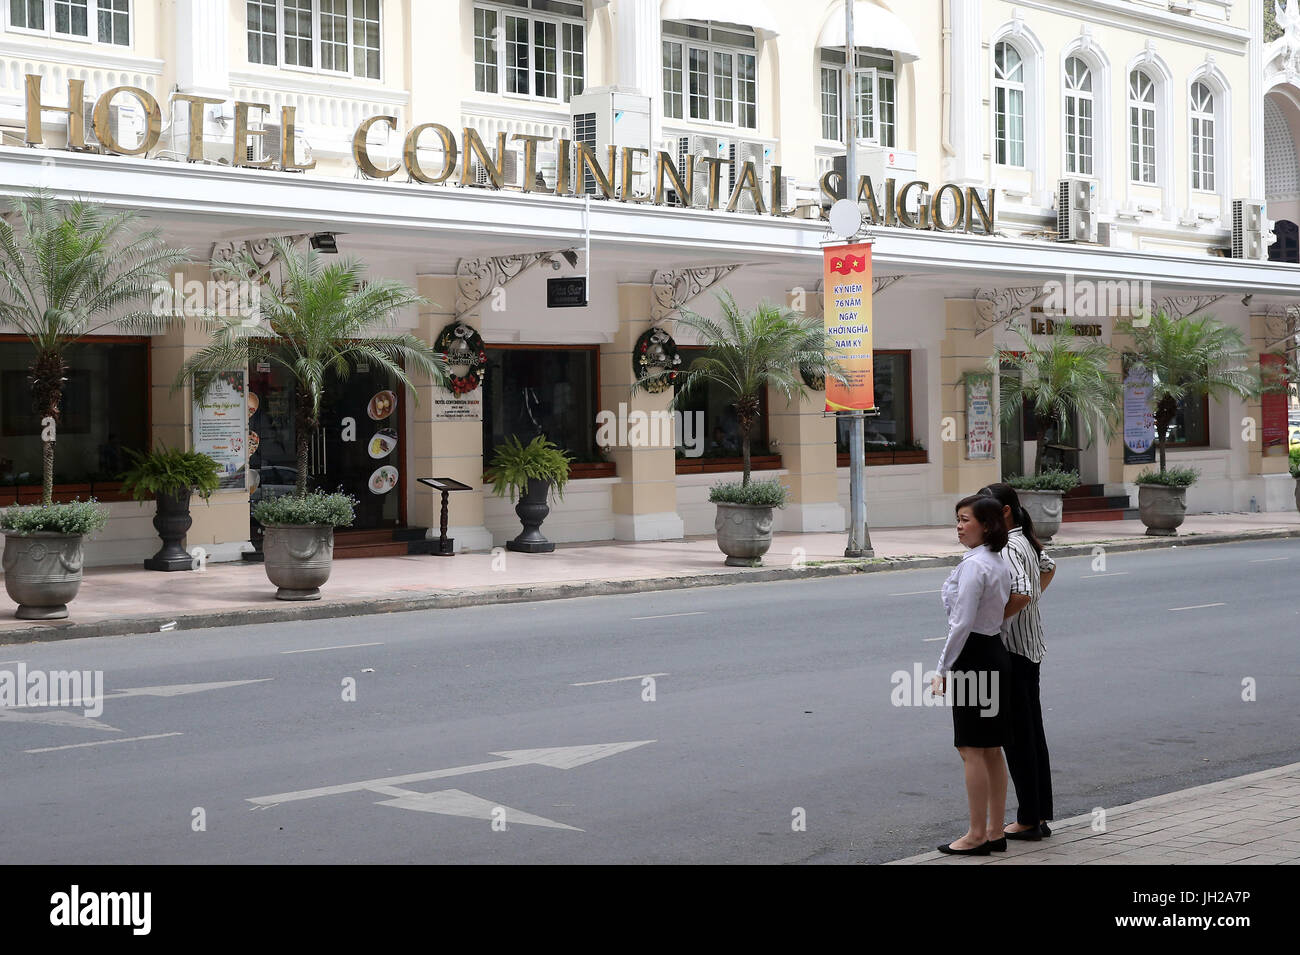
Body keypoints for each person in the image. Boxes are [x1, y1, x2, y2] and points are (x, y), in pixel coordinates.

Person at [931, 494, 1013, 855]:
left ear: (987, 525)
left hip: (975, 656)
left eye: (966, 520)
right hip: (994, 651)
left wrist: (942, 668)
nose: (959, 527)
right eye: (958, 520)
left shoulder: (975, 566)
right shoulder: (996, 562)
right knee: (991, 748)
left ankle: (977, 835)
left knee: (971, 749)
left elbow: (961, 623)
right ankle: (994, 831)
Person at [978, 482, 1057, 840]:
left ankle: (1028, 820)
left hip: (1014, 651)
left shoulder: (1008, 546)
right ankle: (1037, 815)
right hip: (1031, 648)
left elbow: (1022, 593)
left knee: (1018, 739)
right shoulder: (1025, 539)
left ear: (1005, 511)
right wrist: (1033, 599)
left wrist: (994, 621)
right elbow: (1048, 568)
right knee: (1032, 735)